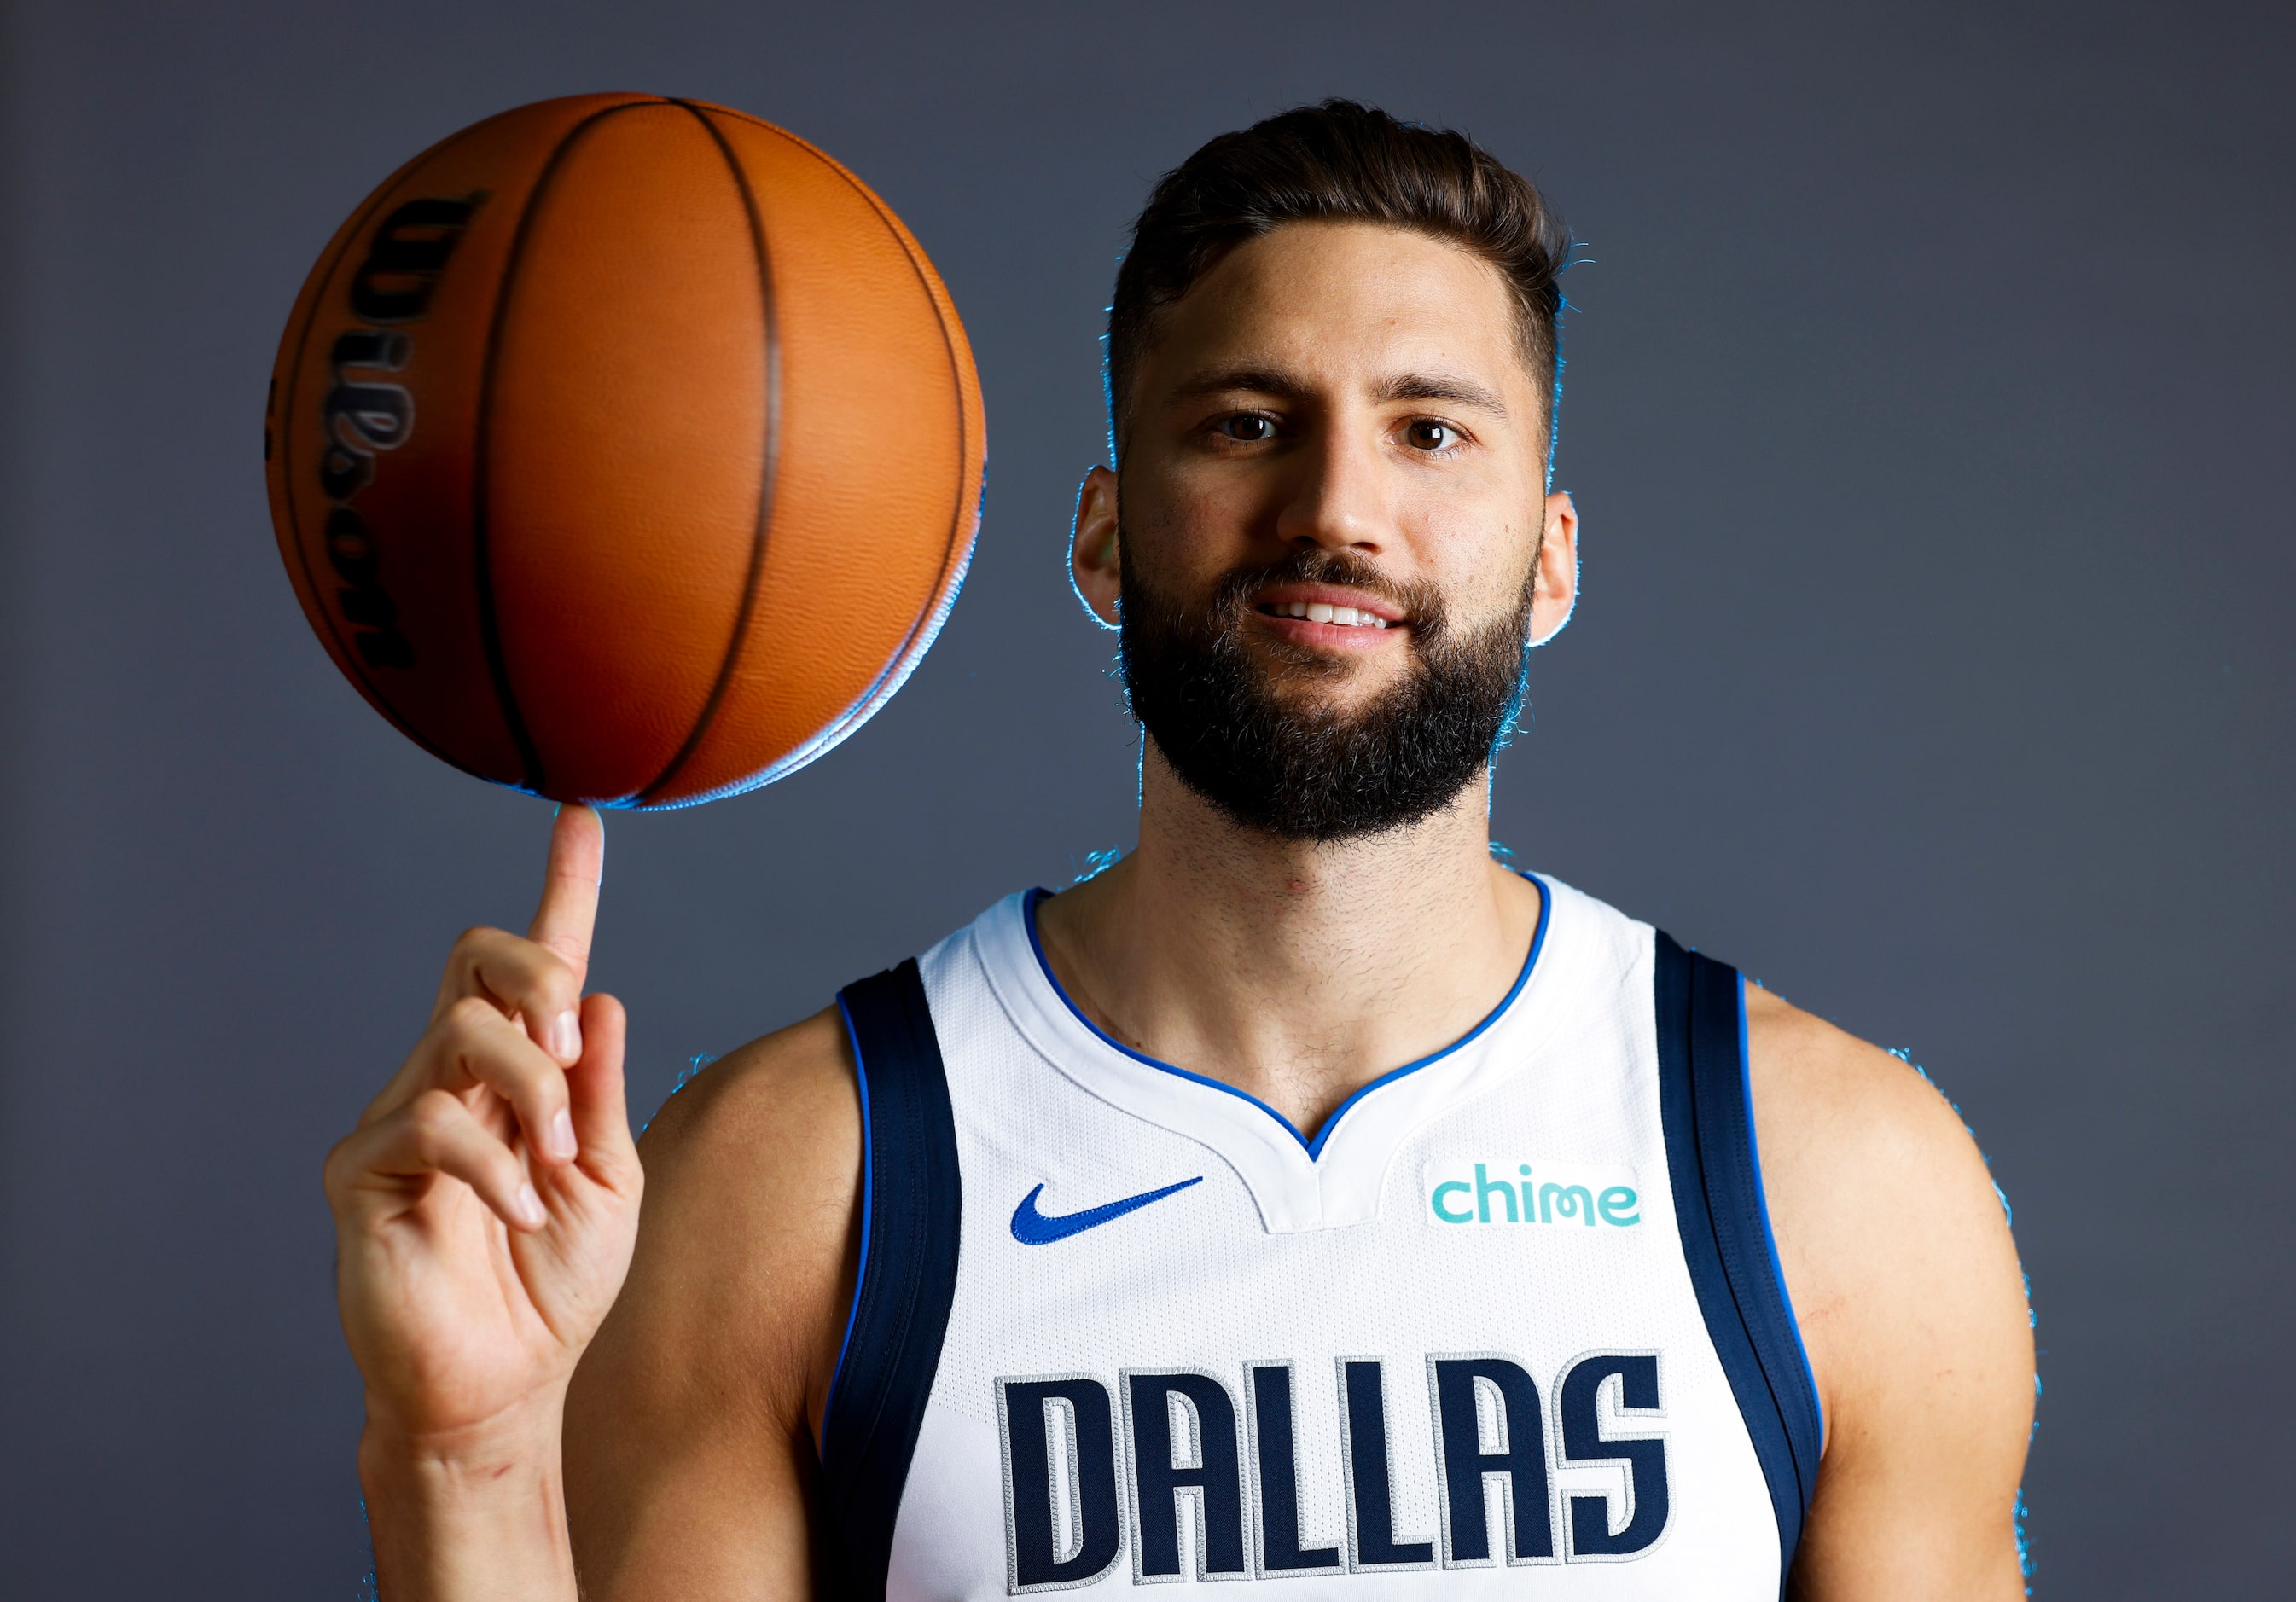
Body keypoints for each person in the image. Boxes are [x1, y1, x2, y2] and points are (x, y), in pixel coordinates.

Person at [326, 101, 2034, 1600]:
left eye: (1430, 430)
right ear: (1101, 533)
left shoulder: (1827, 1182)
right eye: (1243, 422)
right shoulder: (798, 1181)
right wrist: (462, 1452)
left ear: (1553, 555)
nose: (1336, 509)